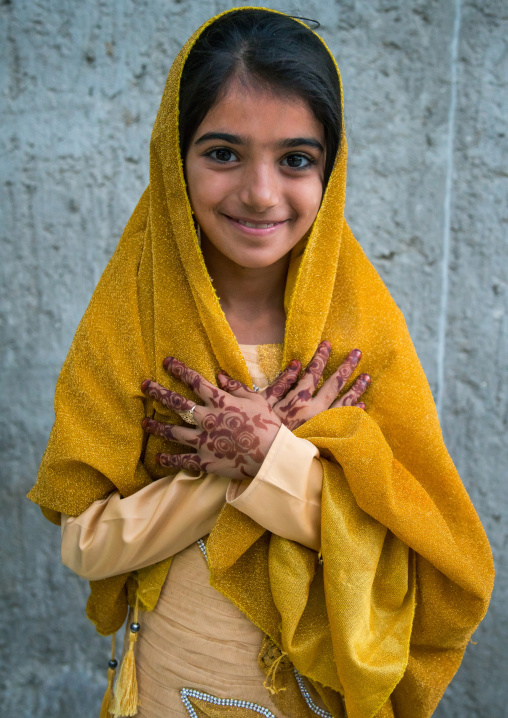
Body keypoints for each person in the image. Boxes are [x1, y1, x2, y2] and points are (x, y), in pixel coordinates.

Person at [28, 8, 494, 718]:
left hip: (316, 695)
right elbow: (86, 545)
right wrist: (237, 463)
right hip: (167, 683)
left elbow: (418, 548)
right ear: (172, 155)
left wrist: (268, 451)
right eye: (223, 154)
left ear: (330, 172)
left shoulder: (362, 333)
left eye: (296, 160)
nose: (261, 193)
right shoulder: (132, 320)